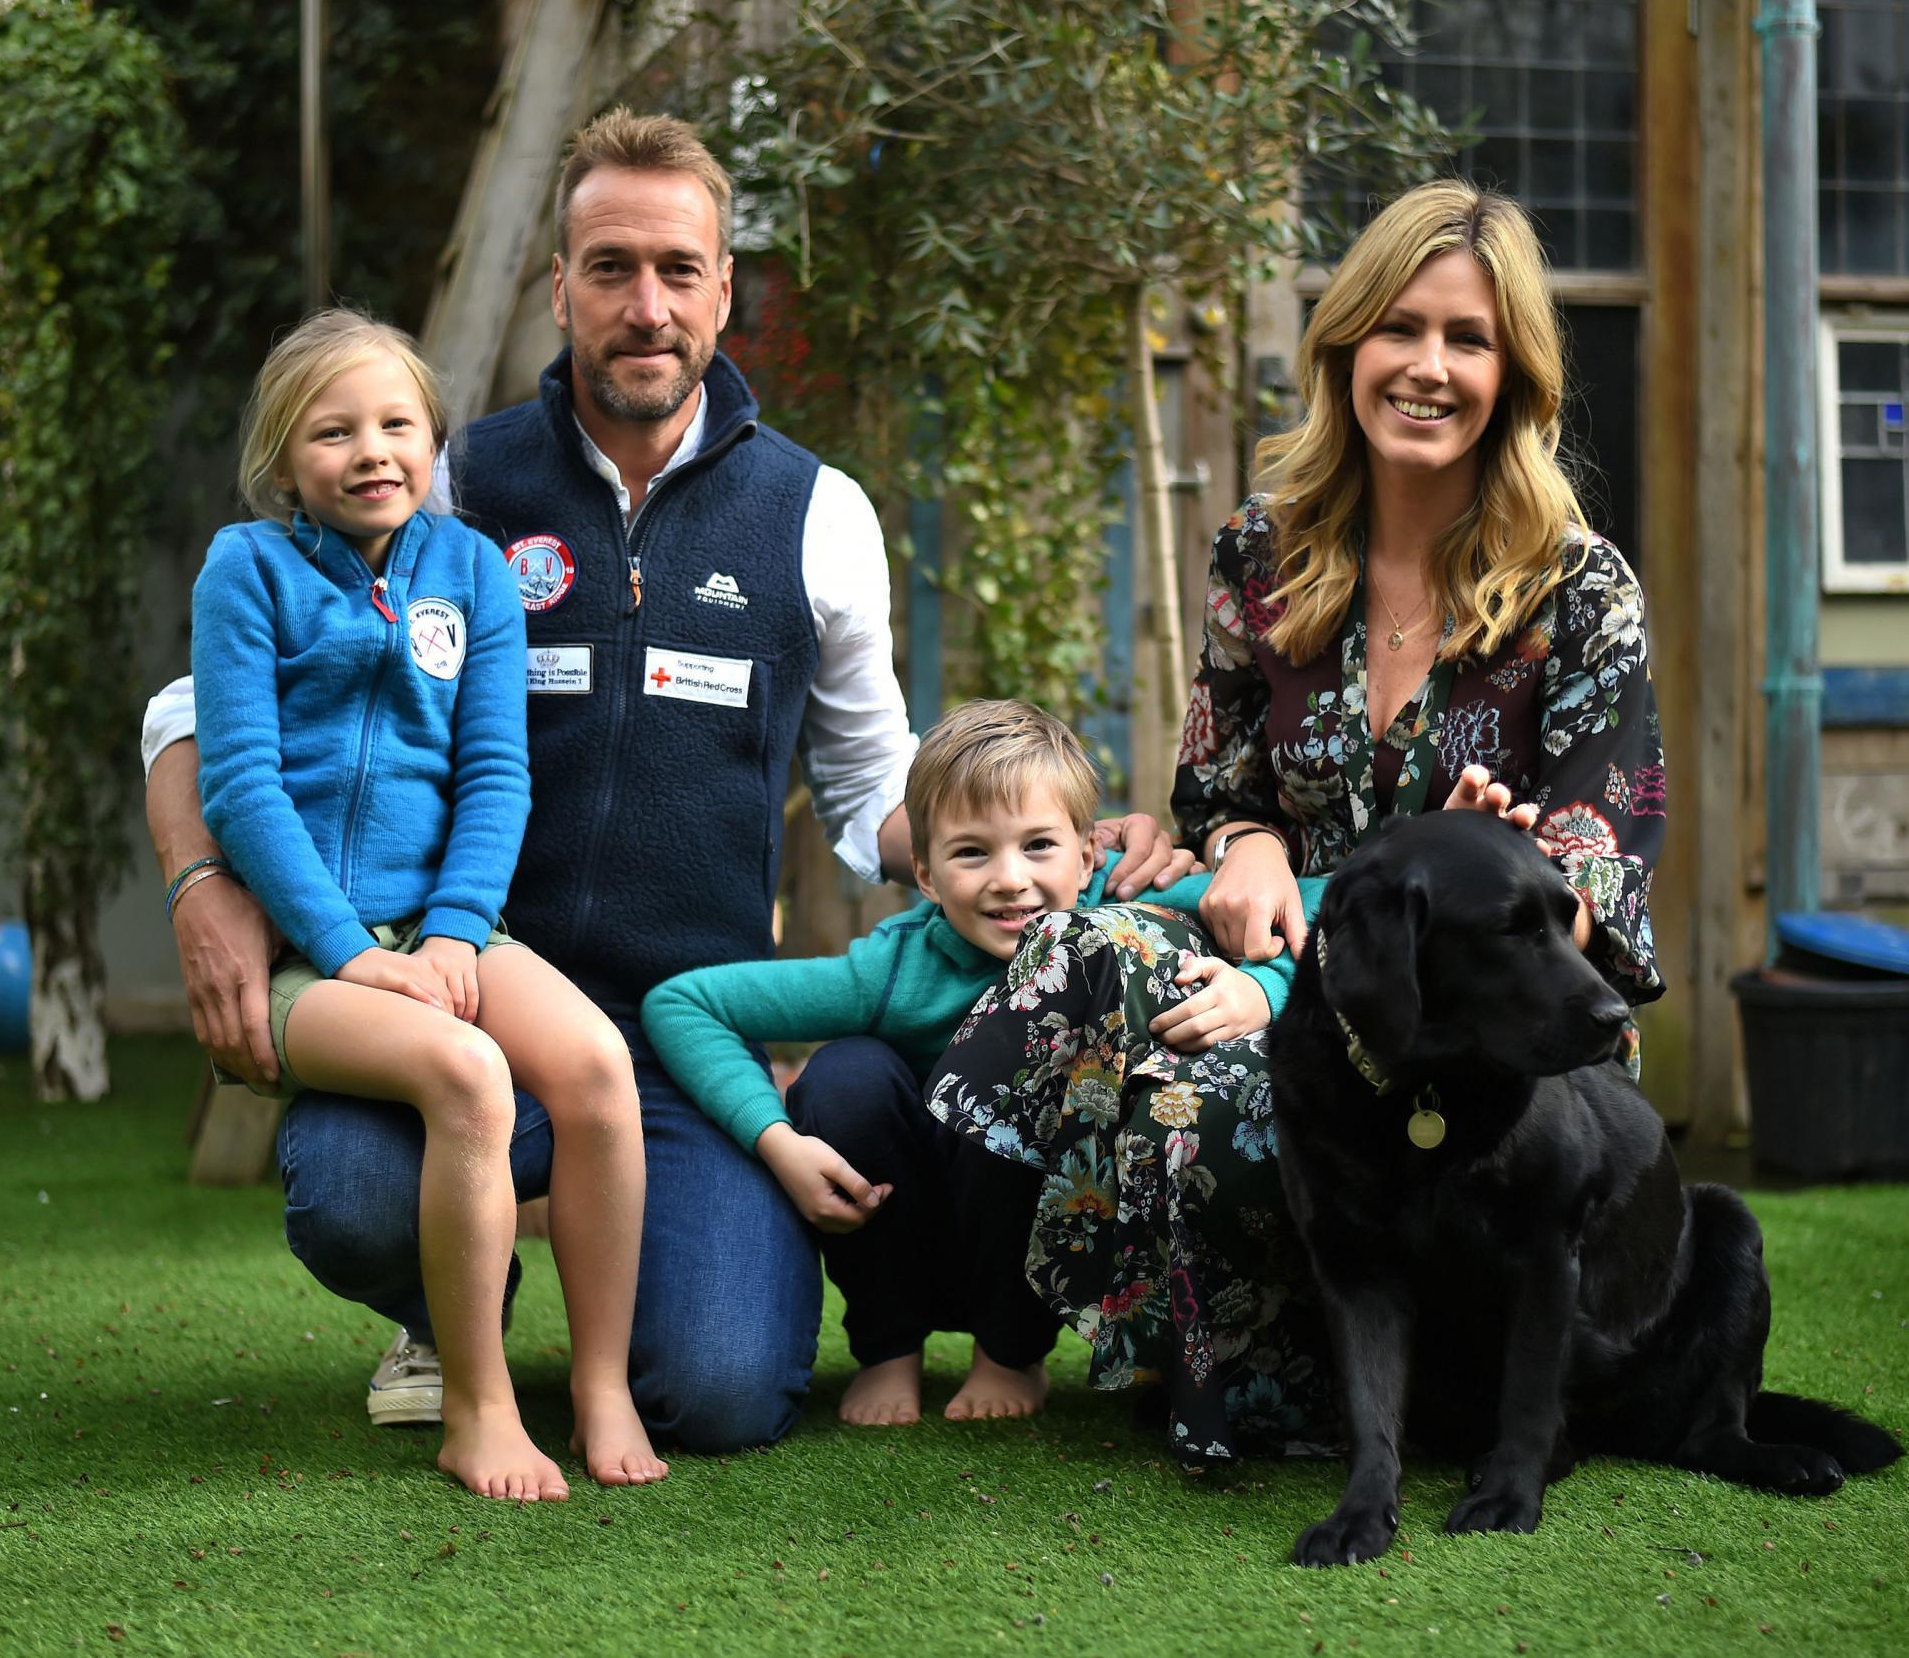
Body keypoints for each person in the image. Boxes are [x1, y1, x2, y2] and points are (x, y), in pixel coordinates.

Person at [142, 108, 1185, 1453]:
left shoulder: (817, 514)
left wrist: (1046, 851)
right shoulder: (452, 481)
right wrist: (196, 874)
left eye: (677, 270)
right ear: (561, 281)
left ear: (723, 288)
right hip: (474, 990)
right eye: (611, 266)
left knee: (723, 1390)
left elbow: (883, 790)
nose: (646, 306)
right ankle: (450, 1305)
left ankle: (625, 1318)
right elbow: (206, 703)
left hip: (683, 1035)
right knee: (344, 1189)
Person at [925, 179, 1667, 1464]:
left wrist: (1487, 856)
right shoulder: (1259, 557)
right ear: (1347, 346)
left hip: (1485, 1043)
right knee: (1078, 943)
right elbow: (1217, 792)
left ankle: (1263, 1390)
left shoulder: (1580, 586)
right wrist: (1252, 844)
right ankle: (985, 1289)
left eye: (1469, 340)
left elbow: (1596, 860)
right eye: (1399, 329)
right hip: (1276, 975)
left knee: (1205, 1087)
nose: (1427, 367)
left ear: (1516, 375)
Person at [188, 309, 662, 1500]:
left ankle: (599, 1384)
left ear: (432, 438)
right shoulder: (245, 571)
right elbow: (239, 784)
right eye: (332, 430)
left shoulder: (471, 573)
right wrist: (347, 951)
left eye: (397, 423)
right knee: (470, 1076)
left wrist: (456, 927)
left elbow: (497, 771)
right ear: (283, 456)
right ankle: (478, 1398)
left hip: (445, 922)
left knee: (600, 1067)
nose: (371, 451)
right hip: (310, 953)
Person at [642, 700, 1315, 1428]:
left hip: (1031, 1226)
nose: (1009, 879)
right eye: (972, 853)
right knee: (845, 1076)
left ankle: (1009, 1350)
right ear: (926, 876)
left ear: (1090, 855)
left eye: (1038, 846)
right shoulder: (897, 969)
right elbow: (681, 1003)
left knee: (1031, 1077)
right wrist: (776, 1138)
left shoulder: (1130, 901)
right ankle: (888, 1348)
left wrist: (1263, 986)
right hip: (911, 1214)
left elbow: (1321, 904)